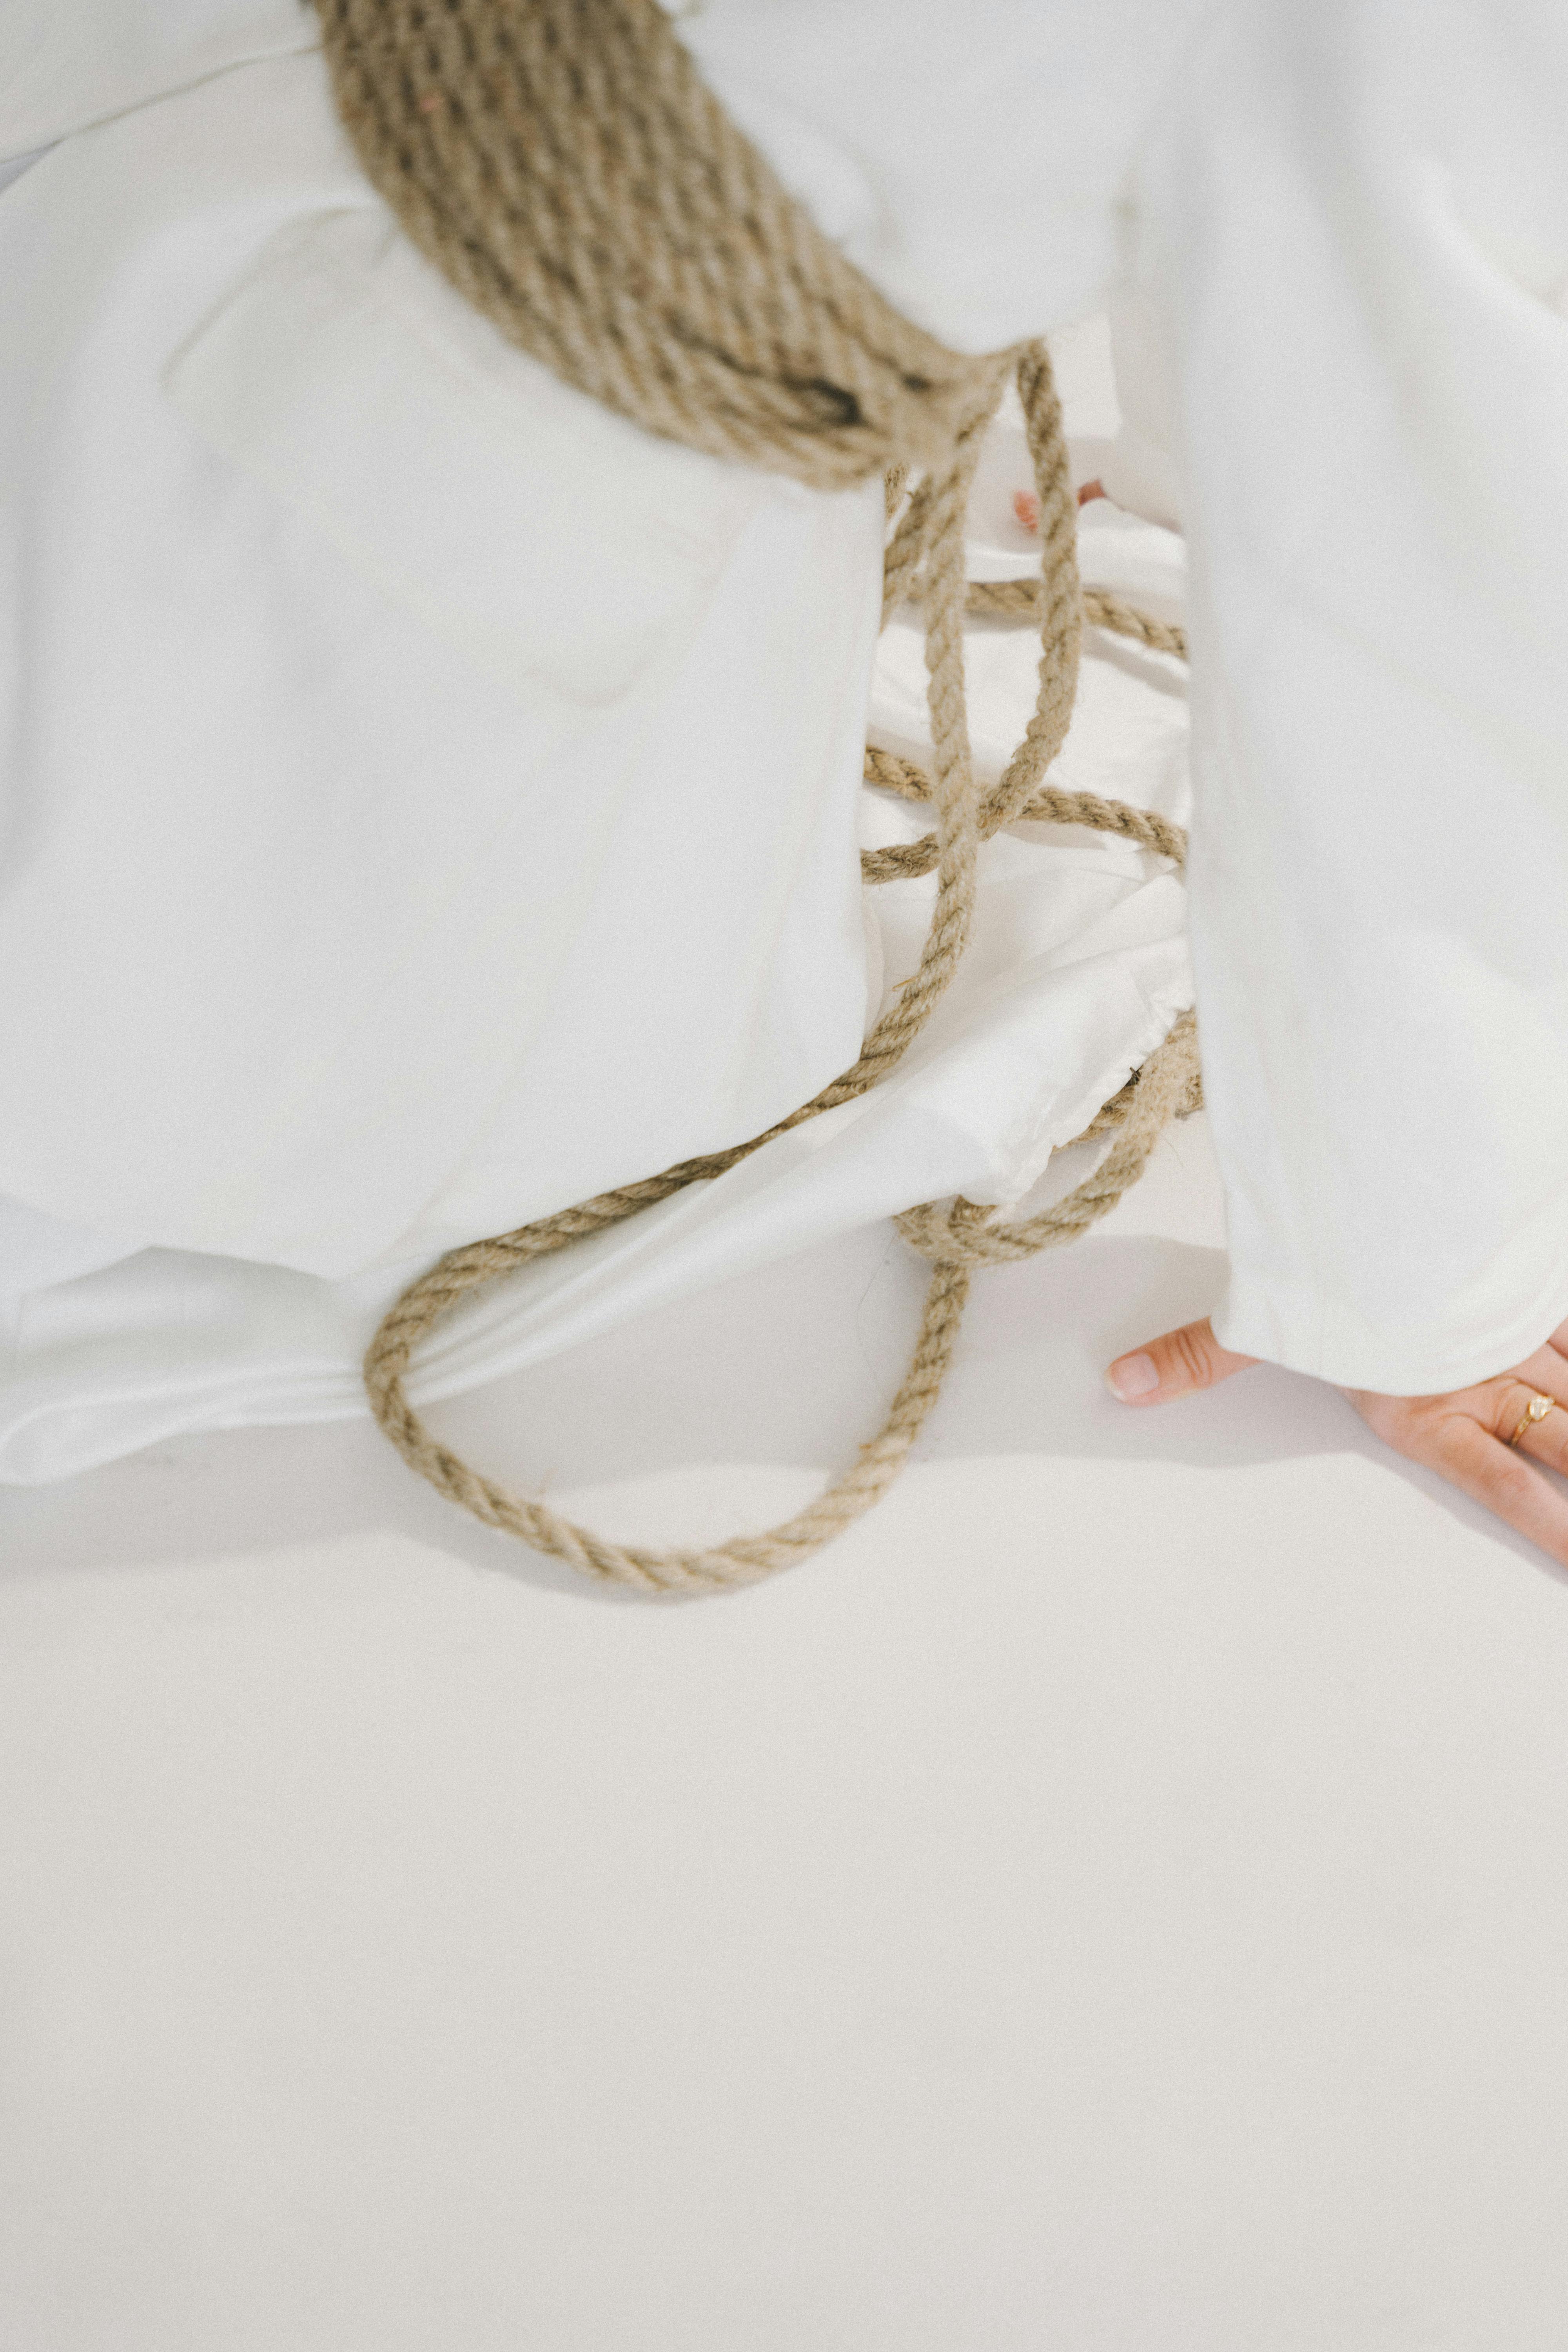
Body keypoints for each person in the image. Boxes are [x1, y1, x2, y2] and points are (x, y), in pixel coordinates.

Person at [2, 0, 1566, 1562]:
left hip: (155, 145)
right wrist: (1428, 1280)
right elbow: (1407, 610)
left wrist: (1177, 460)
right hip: (368, 475)